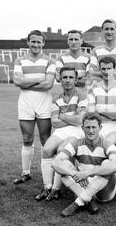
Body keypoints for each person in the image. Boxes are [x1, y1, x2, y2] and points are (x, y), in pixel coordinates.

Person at [51, 113, 116, 217]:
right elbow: (55, 163)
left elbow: (115, 166)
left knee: (107, 164)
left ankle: (78, 202)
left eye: (94, 127)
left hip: (103, 192)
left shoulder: (108, 145)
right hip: (83, 186)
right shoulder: (76, 143)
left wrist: (87, 173)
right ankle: (87, 199)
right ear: (82, 128)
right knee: (63, 165)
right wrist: (74, 173)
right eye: (87, 127)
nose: (91, 131)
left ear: (100, 128)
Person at [35, 67, 87, 201]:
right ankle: (47, 187)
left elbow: (80, 120)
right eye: (65, 77)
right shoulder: (56, 98)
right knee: (46, 149)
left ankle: (56, 189)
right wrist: (72, 118)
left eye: (70, 77)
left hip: (77, 131)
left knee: (61, 150)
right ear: (60, 80)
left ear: (76, 80)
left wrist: (62, 116)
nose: (67, 80)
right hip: (61, 131)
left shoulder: (82, 95)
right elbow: (54, 122)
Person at [13, 30, 56, 185]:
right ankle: (26, 173)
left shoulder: (50, 61)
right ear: (28, 42)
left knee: (45, 139)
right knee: (27, 139)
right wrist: (39, 78)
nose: (36, 44)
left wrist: (26, 83)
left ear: (43, 43)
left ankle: (49, 174)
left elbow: (48, 84)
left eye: (39, 42)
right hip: (25, 103)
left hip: (44, 103)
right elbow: (17, 82)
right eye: (33, 41)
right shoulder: (20, 60)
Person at [87, 57, 116, 146]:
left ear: (115, 70)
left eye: (109, 68)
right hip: (97, 126)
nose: (106, 72)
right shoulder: (93, 88)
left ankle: (114, 159)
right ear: (100, 71)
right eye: (103, 69)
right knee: (89, 142)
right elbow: (90, 113)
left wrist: (100, 110)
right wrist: (112, 114)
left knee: (107, 142)